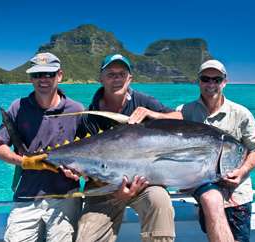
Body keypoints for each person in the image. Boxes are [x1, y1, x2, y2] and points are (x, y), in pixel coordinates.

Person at [63, 53, 182, 242]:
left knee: (160, 202)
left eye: (122, 74)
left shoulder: (143, 101)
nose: (117, 78)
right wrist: (76, 171)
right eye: (110, 74)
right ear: (100, 79)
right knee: (86, 238)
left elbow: (178, 118)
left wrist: (152, 113)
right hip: (104, 186)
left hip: (144, 182)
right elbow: (83, 160)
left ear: (130, 78)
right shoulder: (89, 116)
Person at [0, 52, 84, 242]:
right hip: (26, 196)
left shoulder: (77, 110)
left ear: (60, 75)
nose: (43, 79)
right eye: (37, 74)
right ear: (31, 78)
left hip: (65, 196)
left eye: (49, 74)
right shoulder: (18, 108)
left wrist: (80, 171)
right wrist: (25, 162)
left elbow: (90, 153)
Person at [177, 59, 255, 242]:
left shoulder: (241, 114)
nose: (211, 84)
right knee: (210, 199)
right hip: (201, 183)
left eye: (217, 79)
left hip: (237, 190)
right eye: (206, 79)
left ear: (225, 82)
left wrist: (241, 173)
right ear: (198, 81)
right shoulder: (184, 111)